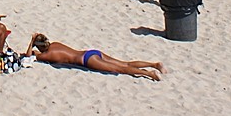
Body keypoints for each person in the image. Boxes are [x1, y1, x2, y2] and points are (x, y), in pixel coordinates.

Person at [26, 33, 165, 80]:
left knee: (121, 69)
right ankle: (154, 64)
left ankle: (150, 74)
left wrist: (31, 43)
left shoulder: (48, 55)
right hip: (91, 52)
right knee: (124, 63)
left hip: (87, 60)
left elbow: (28, 56)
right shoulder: (55, 44)